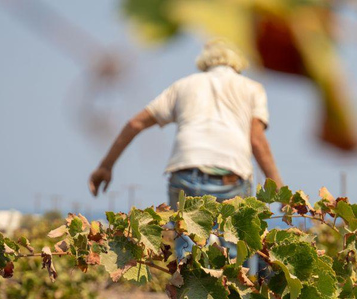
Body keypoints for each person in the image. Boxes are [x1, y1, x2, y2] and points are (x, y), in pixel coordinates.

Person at [88, 39, 284, 206]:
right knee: (231, 245)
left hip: (185, 174)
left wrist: (106, 166)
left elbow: (134, 124)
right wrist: (278, 187)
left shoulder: (183, 86)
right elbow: (257, 140)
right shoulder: (252, 89)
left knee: (189, 245)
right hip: (231, 177)